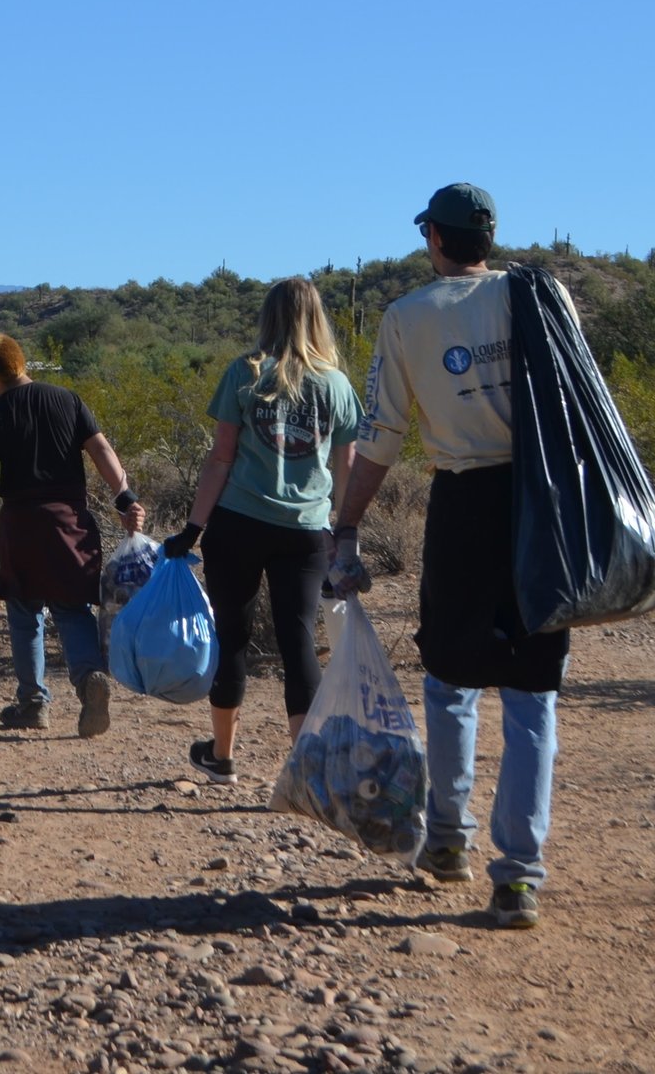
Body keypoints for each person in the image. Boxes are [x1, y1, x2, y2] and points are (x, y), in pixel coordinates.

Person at [332, 182, 562, 931]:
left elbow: (380, 441)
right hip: (542, 505)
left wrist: (346, 526)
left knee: (450, 679)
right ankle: (519, 877)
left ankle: (448, 840)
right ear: (489, 238)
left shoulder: (407, 318)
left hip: (464, 509)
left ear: (435, 237)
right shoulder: (541, 297)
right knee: (532, 696)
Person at [161, 278, 361, 783]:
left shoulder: (244, 373)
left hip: (238, 524)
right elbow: (347, 463)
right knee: (298, 643)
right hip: (306, 530)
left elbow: (221, 458)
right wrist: (344, 530)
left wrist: (192, 527)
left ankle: (222, 756)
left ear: (268, 317)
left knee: (232, 636)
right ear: (316, 318)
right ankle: (307, 769)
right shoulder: (336, 384)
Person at [0, 332, 145, 737]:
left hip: (23, 526)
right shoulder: (68, 399)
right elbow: (101, 450)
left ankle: (33, 703)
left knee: (24, 611)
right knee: (72, 607)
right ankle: (89, 682)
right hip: (71, 523)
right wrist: (125, 499)